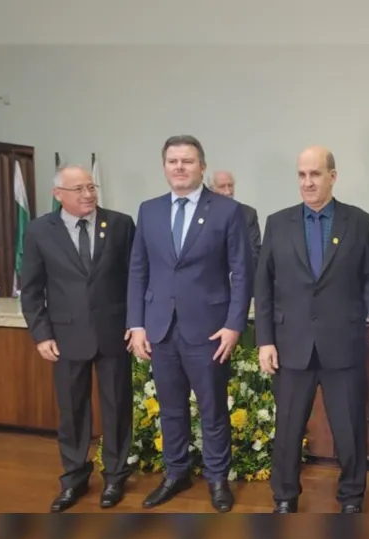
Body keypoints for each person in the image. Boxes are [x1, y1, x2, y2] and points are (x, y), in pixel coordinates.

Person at [254, 145, 369, 513]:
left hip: (342, 344)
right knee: (289, 430)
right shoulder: (277, 223)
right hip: (291, 344)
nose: (307, 182)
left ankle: (351, 498)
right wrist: (265, 340)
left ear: (332, 176)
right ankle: (284, 497)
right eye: (301, 175)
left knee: (350, 430)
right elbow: (263, 287)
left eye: (315, 174)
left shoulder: (360, 222)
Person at [127, 135, 253, 513]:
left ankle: (217, 479)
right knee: (171, 409)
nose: (179, 167)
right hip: (160, 328)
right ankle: (176, 473)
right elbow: (138, 271)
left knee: (213, 409)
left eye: (187, 161)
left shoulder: (227, 211)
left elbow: (242, 273)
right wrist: (136, 324)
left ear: (201, 166)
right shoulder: (148, 211)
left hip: (210, 330)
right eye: (172, 161)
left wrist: (234, 324)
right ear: (164, 166)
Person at [20, 165, 135, 512]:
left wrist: (136, 323)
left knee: (117, 408)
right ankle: (74, 478)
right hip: (65, 335)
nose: (88, 194)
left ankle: (115, 476)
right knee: (72, 412)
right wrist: (41, 334)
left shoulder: (120, 224)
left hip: (115, 332)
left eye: (91, 187)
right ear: (58, 195)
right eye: (78, 189)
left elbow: (136, 278)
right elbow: (32, 287)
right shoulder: (41, 230)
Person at [210, 170, 262, 267]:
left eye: (230, 185)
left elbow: (255, 252)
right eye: (222, 186)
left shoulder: (248, 213)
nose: (228, 191)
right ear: (211, 190)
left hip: (241, 273)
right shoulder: (204, 214)